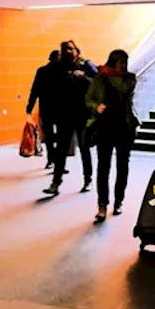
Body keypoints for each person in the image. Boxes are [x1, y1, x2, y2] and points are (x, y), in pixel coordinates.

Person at [85, 49, 139, 223]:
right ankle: (102, 204)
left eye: (125, 62)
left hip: (125, 126)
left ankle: (118, 201)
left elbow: (124, 88)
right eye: (121, 62)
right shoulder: (100, 77)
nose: (124, 65)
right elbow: (88, 99)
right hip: (105, 126)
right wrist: (96, 107)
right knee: (103, 166)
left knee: (122, 166)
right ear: (112, 62)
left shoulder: (129, 78)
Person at [44, 40, 97, 196]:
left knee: (84, 148)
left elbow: (98, 83)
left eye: (70, 49)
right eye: (64, 50)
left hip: (82, 114)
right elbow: (50, 88)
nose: (67, 52)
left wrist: (84, 78)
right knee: (61, 150)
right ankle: (56, 182)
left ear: (77, 51)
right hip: (64, 115)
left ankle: (88, 179)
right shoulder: (57, 68)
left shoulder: (86, 65)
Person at [26, 49, 61, 170]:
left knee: (49, 136)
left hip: (46, 108)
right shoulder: (61, 72)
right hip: (60, 109)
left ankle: (51, 160)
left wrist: (30, 106)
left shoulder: (42, 71)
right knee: (61, 137)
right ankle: (57, 161)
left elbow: (34, 90)